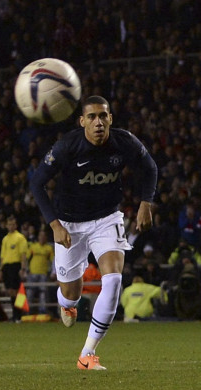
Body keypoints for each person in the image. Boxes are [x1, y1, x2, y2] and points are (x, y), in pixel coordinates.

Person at [30, 95, 157, 370]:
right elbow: (37, 183)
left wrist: (146, 202)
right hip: (70, 224)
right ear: (82, 122)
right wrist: (54, 224)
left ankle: (87, 354)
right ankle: (67, 303)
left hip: (106, 218)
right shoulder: (67, 146)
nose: (98, 122)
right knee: (71, 294)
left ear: (110, 118)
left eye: (103, 116)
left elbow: (149, 168)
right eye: (92, 117)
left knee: (112, 280)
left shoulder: (124, 142)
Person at [0, 216, 28, 320]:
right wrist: (1, 270)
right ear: (6, 226)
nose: (11, 226)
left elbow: (23, 254)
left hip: (16, 265)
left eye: (13, 224)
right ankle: (15, 315)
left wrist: (22, 268)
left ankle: (18, 315)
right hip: (7, 266)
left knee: (17, 291)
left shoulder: (20, 237)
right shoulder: (5, 239)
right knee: (10, 291)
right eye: (9, 224)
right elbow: (2, 256)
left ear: (16, 225)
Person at [26, 229, 54, 314]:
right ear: (38, 237)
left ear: (46, 237)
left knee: (43, 293)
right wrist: (26, 271)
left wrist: (53, 272)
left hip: (43, 274)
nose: (42, 237)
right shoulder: (33, 247)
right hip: (32, 273)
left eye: (43, 236)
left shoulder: (49, 248)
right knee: (30, 292)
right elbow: (26, 259)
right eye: (40, 235)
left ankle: (43, 311)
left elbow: (53, 261)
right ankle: (27, 311)